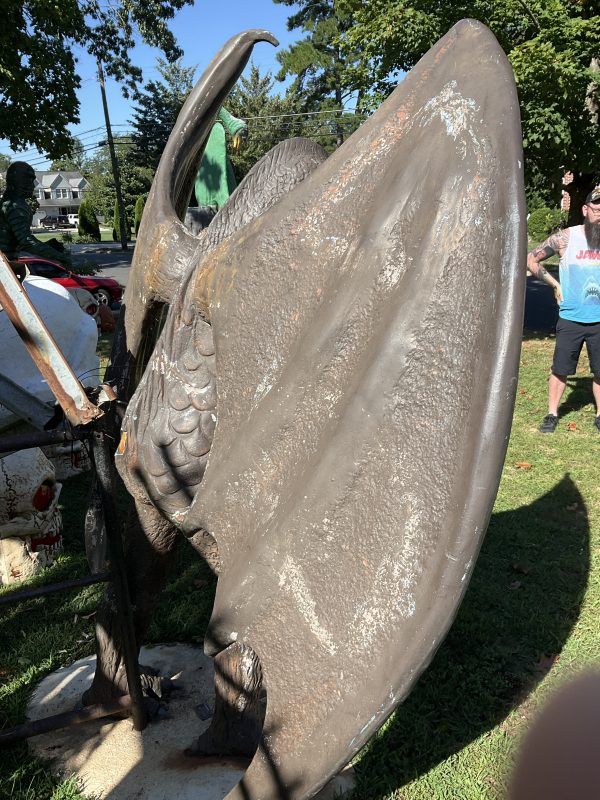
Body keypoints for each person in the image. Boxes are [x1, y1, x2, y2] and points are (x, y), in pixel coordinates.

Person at [527, 186, 600, 433]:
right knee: (560, 369)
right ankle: (552, 414)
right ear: (585, 209)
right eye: (596, 208)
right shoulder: (567, 237)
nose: (599, 213)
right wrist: (555, 284)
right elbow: (531, 259)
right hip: (571, 317)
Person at [0, 161, 72, 274]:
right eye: (30, 180)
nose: (33, 186)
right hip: (4, 268)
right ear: (20, 181)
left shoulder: (6, 203)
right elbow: (26, 242)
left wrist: (48, 246)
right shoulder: (16, 207)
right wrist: (61, 257)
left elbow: (17, 241)